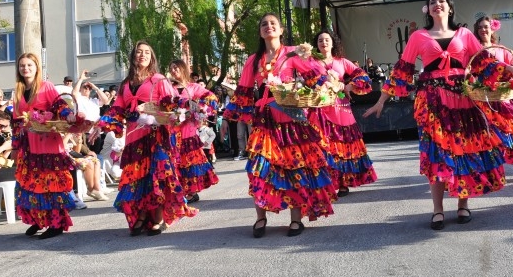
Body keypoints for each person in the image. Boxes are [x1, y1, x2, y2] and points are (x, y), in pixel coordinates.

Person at [363, 0, 513, 229]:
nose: (437, 4)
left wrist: (509, 70)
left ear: (450, 7)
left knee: (464, 152)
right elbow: (401, 71)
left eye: (441, 1)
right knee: (437, 155)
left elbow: (483, 62)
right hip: (433, 102)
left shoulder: (465, 34)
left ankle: (463, 205)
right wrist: (381, 100)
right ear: (427, 10)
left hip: (463, 100)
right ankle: (437, 209)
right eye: (432, 2)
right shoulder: (418, 36)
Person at [223, 13, 337, 238]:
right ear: (260, 32)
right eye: (264, 24)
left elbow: (315, 76)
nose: (268, 27)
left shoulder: (293, 53)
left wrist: (330, 84)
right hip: (264, 120)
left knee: (294, 168)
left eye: (273, 24)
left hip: (291, 119)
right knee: (259, 169)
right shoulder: (253, 60)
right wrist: (227, 118)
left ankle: (296, 220)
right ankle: (260, 218)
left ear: (281, 30)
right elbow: (243, 92)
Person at [91, 41, 196, 236]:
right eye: (139, 52)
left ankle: (158, 217)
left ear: (152, 57)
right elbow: (117, 109)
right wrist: (101, 124)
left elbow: (172, 106)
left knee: (154, 177)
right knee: (137, 179)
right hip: (134, 138)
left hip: (155, 136)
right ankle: (141, 215)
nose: (143, 55)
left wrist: (155, 110)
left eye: (147, 52)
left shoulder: (159, 80)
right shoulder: (126, 84)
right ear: (133, 56)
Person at [12, 53, 79, 238]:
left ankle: (56, 223)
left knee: (51, 183)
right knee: (31, 183)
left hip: (48, 141)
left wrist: (68, 115)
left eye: (29, 65)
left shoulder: (46, 86)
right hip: (29, 144)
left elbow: (59, 105)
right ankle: (37, 220)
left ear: (36, 68)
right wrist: (15, 145)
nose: (25, 69)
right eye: (22, 66)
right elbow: (16, 121)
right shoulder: (17, 90)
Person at [308, 30, 377, 197]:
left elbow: (363, 77)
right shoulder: (310, 62)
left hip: (340, 107)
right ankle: (326, 183)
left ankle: (343, 183)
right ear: (316, 45)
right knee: (323, 145)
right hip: (320, 108)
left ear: (333, 43)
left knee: (343, 144)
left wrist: (348, 86)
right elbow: (305, 81)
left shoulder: (342, 62)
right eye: (320, 40)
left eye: (326, 40)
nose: (323, 43)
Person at [473, 17, 513, 164]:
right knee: (487, 131)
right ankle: (491, 162)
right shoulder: (476, 49)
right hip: (484, 97)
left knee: (508, 127)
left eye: (486, 27)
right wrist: (507, 68)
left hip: (501, 95)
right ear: (476, 31)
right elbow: (479, 68)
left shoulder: (501, 49)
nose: (483, 30)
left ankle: (510, 156)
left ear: (492, 29)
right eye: (480, 27)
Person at [168, 59, 219, 204]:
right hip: (171, 129)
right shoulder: (169, 87)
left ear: (183, 69)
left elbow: (211, 98)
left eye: (176, 67)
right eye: (171, 68)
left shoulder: (193, 87)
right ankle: (180, 191)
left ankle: (191, 192)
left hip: (188, 130)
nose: (173, 70)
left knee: (188, 162)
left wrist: (198, 110)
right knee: (174, 162)